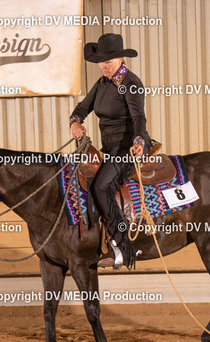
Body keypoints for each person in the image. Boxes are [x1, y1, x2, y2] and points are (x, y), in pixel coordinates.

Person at [69, 33, 152, 269]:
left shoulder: (131, 84)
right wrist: (75, 122)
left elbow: (138, 117)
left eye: (107, 61)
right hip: (110, 149)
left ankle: (123, 245)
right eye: (100, 61)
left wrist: (139, 140)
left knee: (101, 186)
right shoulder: (102, 84)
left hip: (127, 148)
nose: (102, 66)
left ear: (120, 59)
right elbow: (82, 108)